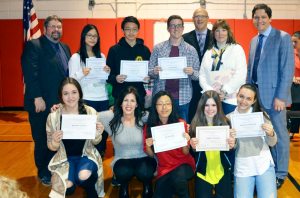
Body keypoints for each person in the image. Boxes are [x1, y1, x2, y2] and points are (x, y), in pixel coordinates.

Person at [247, 3, 294, 188]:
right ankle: (268, 168)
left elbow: (287, 69)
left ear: (270, 18)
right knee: (263, 136)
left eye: (263, 17)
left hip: (275, 98)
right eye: (256, 17)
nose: (260, 20)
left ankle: (281, 173)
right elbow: (252, 69)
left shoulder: (282, 37)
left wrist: (281, 97)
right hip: (256, 97)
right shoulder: (253, 41)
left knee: (280, 136)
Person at [21, 15, 71, 185]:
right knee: (42, 139)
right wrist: (36, 97)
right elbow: (30, 72)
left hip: (59, 105)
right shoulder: (34, 45)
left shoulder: (65, 48)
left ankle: (55, 167)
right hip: (41, 104)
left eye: (59, 26)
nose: (56, 29)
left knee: (57, 138)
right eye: (53, 26)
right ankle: (43, 171)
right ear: (45, 29)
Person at [46, 77, 104, 198]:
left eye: (74, 92)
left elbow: (96, 141)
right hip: (64, 159)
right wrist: (55, 141)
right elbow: (51, 147)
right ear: (61, 96)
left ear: (80, 94)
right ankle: (73, 180)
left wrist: (98, 133)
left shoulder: (90, 112)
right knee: (66, 185)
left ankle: (90, 190)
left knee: (83, 176)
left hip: (86, 155)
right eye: (66, 93)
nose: (70, 97)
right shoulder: (53, 117)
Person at [98, 86, 157, 198]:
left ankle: (147, 185)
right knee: (123, 172)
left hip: (144, 157)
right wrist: (62, 109)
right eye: (125, 100)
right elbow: (89, 115)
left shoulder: (144, 117)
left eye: (132, 101)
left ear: (137, 104)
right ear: (121, 103)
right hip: (122, 159)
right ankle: (123, 186)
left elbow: (163, 119)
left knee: (145, 172)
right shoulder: (111, 117)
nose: (128, 104)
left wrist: (183, 126)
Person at [228, 84, 277, 198]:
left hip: (263, 164)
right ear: (237, 95)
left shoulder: (261, 116)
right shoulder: (228, 118)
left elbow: (272, 143)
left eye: (248, 98)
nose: (243, 101)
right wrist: (231, 142)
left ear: (254, 101)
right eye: (241, 96)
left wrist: (271, 133)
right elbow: (231, 148)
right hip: (243, 167)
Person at [69, 24, 111, 157]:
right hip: (87, 98)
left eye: (95, 36)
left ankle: (100, 152)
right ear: (83, 37)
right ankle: (87, 154)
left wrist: (107, 72)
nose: (93, 38)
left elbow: (105, 80)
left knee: (102, 129)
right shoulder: (76, 57)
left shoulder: (102, 56)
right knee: (87, 129)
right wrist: (82, 73)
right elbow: (71, 80)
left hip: (102, 97)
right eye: (89, 35)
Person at [144, 91, 195, 198]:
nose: (164, 107)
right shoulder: (150, 127)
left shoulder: (181, 123)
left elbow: (185, 153)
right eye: (160, 104)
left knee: (178, 178)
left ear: (172, 105)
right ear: (155, 107)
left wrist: (186, 142)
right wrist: (148, 145)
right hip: (164, 167)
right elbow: (151, 155)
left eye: (167, 103)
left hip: (183, 164)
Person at [149, 15, 200, 122]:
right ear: (168, 28)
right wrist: (154, 71)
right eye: (172, 26)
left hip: (182, 98)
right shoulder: (158, 48)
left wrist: (192, 72)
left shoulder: (191, 50)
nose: (176, 29)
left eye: (178, 26)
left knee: (182, 129)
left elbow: (198, 75)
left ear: (183, 28)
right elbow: (149, 72)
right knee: (160, 128)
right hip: (161, 97)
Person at [189, 90, 235, 198]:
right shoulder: (195, 125)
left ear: (218, 106)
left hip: (222, 168)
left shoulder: (226, 123)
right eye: (207, 105)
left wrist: (232, 145)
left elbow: (229, 150)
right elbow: (193, 153)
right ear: (201, 106)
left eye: (214, 105)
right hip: (203, 170)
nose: (210, 109)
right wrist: (193, 147)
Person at [199, 19, 247, 115]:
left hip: (231, 100)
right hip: (211, 101)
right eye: (217, 30)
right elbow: (202, 75)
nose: (220, 33)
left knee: (230, 128)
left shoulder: (236, 49)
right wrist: (211, 92)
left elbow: (241, 74)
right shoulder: (208, 52)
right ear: (213, 33)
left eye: (223, 30)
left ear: (228, 32)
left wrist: (225, 91)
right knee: (214, 128)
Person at [107, 16, 151, 107]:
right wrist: (116, 78)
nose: (131, 32)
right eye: (128, 29)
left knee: (138, 121)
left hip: (139, 95)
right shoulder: (114, 50)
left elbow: (149, 73)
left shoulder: (145, 50)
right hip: (120, 95)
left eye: (134, 29)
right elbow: (108, 76)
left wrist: (148, 78)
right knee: (120, 121)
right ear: (123, 30)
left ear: (138, 30)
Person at [183, 7, 211, 123]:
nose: (199, 19)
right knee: (192, 117)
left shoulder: (216, 36)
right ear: (193, 19)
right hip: (191, 85)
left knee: (210, 116)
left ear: (208, 19)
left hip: (210, 83)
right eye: (196, 17)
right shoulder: (184, 38)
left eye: (202, 16)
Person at [289, 31, 300, 137]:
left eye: (295, 42)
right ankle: (293, 131)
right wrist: (292, 78)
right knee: (295, 108)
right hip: (295, 85)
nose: (293, 44)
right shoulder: (291, 53)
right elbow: (287, 69)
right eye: (291, 42)